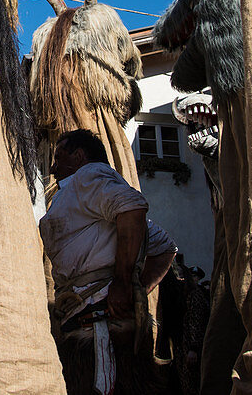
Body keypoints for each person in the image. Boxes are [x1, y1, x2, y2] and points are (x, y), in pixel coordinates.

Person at [40, 128, 177, 395]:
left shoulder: (89, 176)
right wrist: (135, 288)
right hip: (89, 321)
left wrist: (125, 284)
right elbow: (164, 247)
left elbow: (131, 207)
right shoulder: (83, 195)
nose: (53, 168)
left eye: (58, 157)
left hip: (100, 326)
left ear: (79, 156)